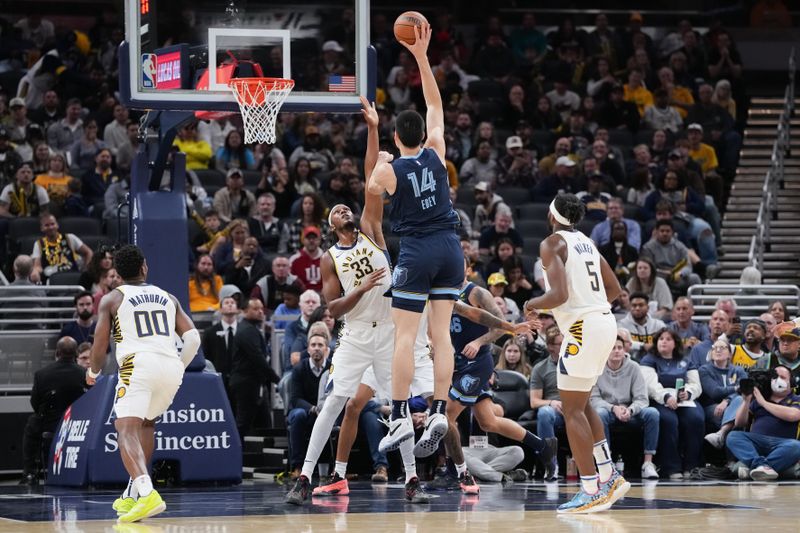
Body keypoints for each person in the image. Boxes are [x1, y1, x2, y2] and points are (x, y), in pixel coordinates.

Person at [367, 23, 464, 458]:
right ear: (422, 136)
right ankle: (441, 408)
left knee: (405, 336)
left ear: (395, 138)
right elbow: (434, 103)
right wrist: (422, 57)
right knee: (441, 335)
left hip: (417, 251)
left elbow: (370, 189)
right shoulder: (438, 150)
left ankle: (403, 414)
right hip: (450, 248)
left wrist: (383, 157)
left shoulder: (391, 169)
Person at [522, 193, 627, 513]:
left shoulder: (551, 243)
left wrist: (531, 304)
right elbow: (615, 291)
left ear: (552, 216)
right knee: (580, 405)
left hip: (583, 329)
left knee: (571, 412)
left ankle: (590, 488)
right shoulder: (586, 242)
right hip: (605, 323)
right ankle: (609, 476)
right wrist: (588, 308)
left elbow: (557, 294)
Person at [86, 244, 202, 522]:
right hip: (170, 366)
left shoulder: (111, 299)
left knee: (125, 430)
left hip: (137, 365)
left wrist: (92, 373)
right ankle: (134, 493)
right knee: (147, 423)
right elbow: (194, 339)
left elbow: (100, 345)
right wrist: (179, 367)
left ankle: (148, 492)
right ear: (144, 267)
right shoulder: (168, 297)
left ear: (117, 272)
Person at [442, 260, 549, 494]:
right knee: (487, 421)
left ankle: (453, 472)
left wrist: (478, 341)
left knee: (447, 414)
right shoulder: (444, 292)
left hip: (477, 363)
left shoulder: (477, 292)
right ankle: (542, 445)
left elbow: (499, 326)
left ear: (468, 269)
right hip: (458, 364)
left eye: (460, 263)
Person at [590, 335, 660, 479]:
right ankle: (606, 464)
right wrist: (613, 408)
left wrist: (630, 410)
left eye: (620, 348)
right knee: (599, 414)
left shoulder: (634, 367)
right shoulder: (597, 368)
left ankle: (648, 464)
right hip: (608, 411)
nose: (616, 351)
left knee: (652, 413)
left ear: (624, 350)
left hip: (630, 411)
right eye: (612, 348)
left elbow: (642, 398)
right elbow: (594, 399)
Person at [639, 328, 705, 480]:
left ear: (675, 343)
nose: (664, 341)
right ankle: (671, 467)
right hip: (660, 399)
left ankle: (691, 466)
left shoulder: (686, 361)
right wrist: (666, 396)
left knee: (696, 419)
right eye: (661, 339)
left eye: (668, 339)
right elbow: (650, 385)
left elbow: (696, 384)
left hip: (684, 400)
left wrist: (687, 393)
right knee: (669, 420)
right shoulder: (649, 359)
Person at [21, 336, 86, 485]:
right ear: (76, 353)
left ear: (57, 352)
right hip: (79, 427)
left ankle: (30, 473)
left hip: (51, 425)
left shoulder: (42, 374)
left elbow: (35, 403)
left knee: (32, 424)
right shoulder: (85, 374)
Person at [727, 365, 800, 481]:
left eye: (782, 377)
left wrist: (764, 403)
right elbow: (739, 422)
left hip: (782, 446)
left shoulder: (796, 399)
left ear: (791, 382)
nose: (778, 380)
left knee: (796, 446)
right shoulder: (758, 400)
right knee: (733, 436)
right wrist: (746, 401)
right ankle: (762, 467)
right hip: (757, 445)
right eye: (775, 377)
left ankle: (754, 469)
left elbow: (794, 415)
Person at [229, 298, 281, 438]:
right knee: (243, 424)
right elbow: (258, 359)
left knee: (265, 424)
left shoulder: (250, 329)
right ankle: (236, 456)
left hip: (256, 383)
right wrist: (277, 380)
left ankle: (266, 456)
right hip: (247, 385)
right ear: (245, 311)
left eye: (261, 309)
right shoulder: (246, 331)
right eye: (255, 309)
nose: (260, 312)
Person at [700, 339, 747, 449]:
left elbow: (744, 390)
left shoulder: (738, 370)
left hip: (732, 405)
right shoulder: (704, 370)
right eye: (714, 348)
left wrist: (727, 401)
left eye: (722, 347)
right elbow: (715, 392)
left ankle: (721, 433)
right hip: (712, 407)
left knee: (739, 403)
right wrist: (736, 388)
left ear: (730, 355)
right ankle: (732, 460)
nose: (718, 350)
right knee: (738, 413)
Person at [30, 213, 93, 283]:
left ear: (57, 225)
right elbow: (37, 265)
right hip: (51, 281)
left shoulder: (70, 238)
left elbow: (88, 252)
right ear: (42, 228)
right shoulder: (38, 244)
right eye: (47, 225)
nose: (50, 227)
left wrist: (86, 270)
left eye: (52, 224)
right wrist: (35, 271)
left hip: (72, 278)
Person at [200, 295, 240, 392]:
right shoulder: (210, 332)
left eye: (232, 303)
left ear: (237, 309)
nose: (230, 305)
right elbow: (206, 357)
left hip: (239, 380)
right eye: (226, 303)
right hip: (218, 379)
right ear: (220, 310)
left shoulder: (244, 331)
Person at [617, 293, 667, 360]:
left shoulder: (659, 325)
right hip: (629, 361)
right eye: (634, 305)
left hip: (655, 361)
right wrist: (642, 346)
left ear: (648, 307)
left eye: (641, 305)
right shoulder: (621, 325)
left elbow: (668, 341)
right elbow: (620, 344)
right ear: (629, 307)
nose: (637, 308)